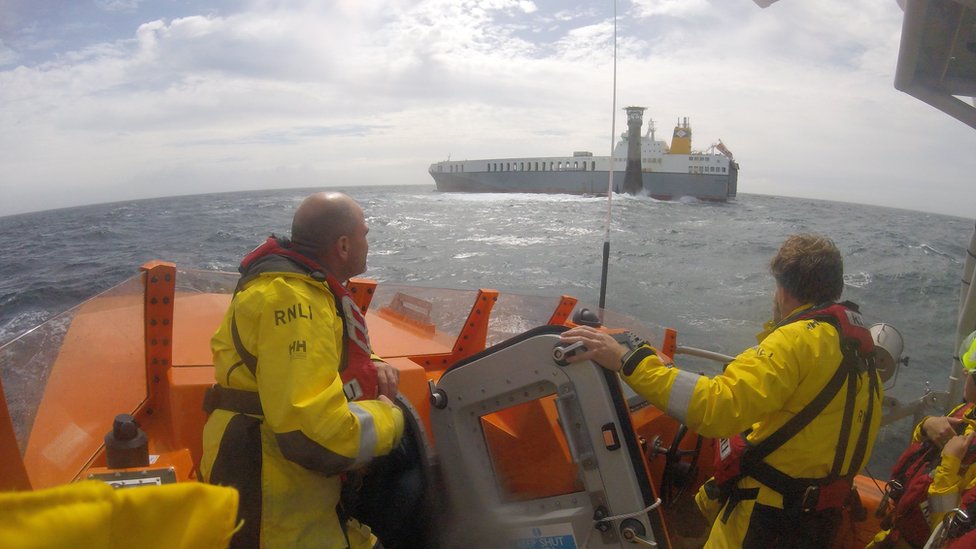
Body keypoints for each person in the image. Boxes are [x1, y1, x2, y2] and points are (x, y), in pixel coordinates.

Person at [559, 233, 882, 548]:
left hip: (769, 520)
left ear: (783, 291)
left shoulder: (795, 341)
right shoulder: (858, 350)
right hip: (819, 519)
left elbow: (716, 409)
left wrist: (625, 359)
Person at [200, 192, 405, 549]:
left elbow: (332, 350)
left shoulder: (304, 288)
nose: (368, 242)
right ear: (343, 245)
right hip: (274, 505)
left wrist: (373, 364)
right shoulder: (295, 300)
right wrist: (392, 420)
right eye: (365, 234)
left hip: (293, 491)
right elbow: (313, 435)